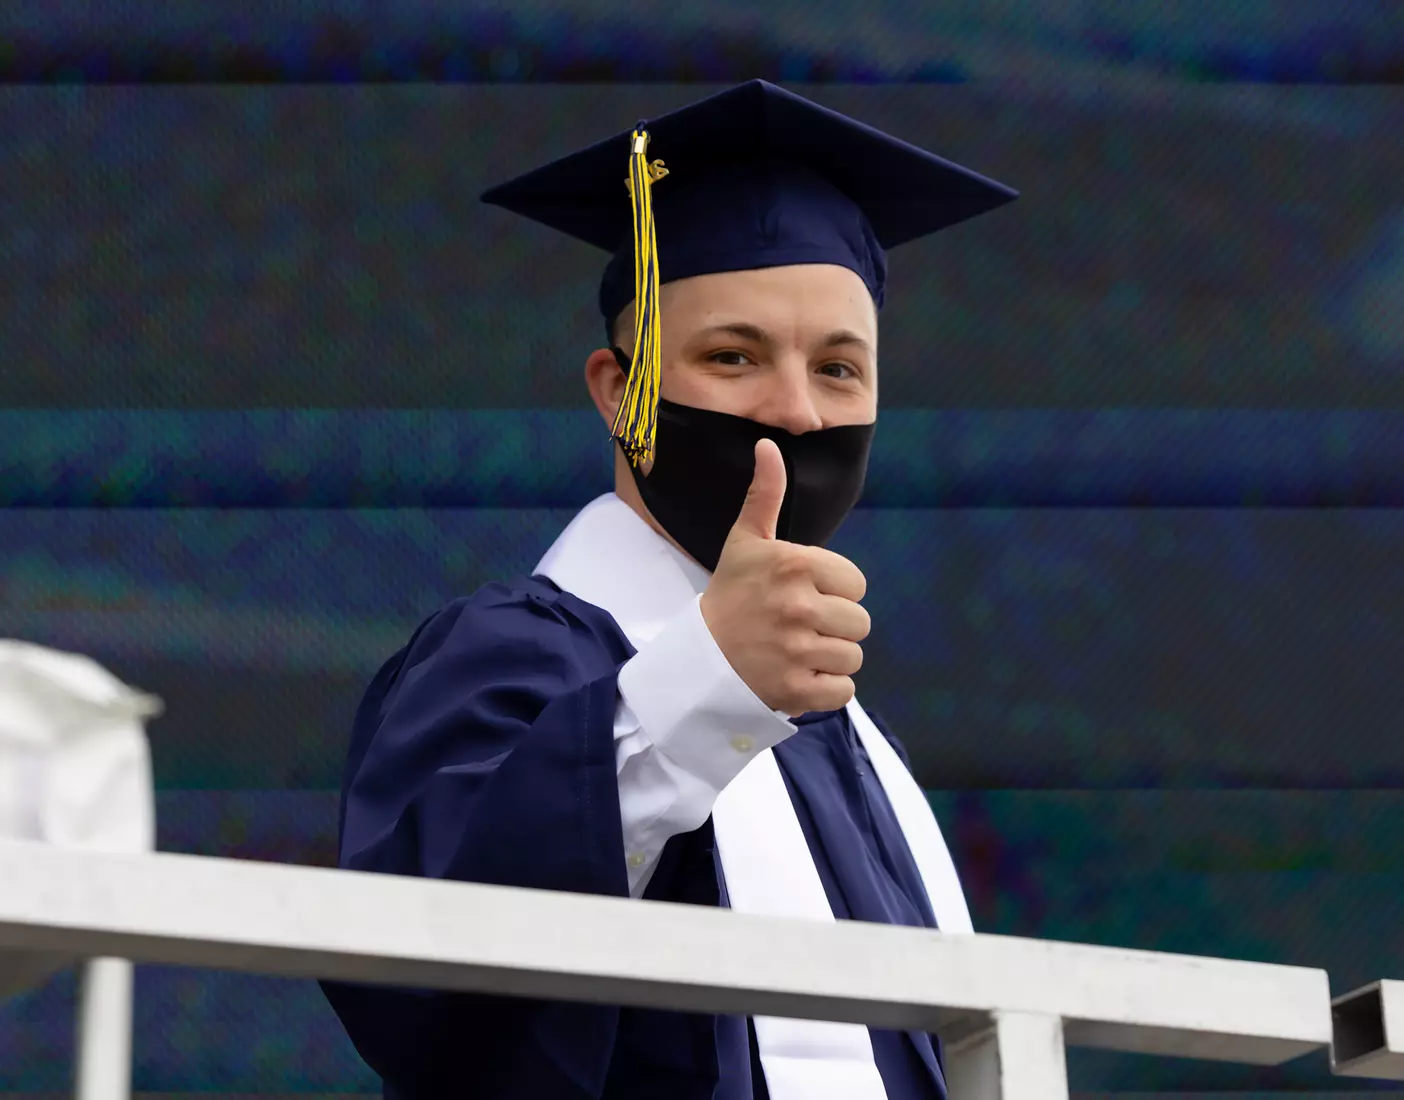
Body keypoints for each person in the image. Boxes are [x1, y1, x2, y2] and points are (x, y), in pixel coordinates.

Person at [320, 79, 1016, 1099]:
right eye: (732, 355)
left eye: (840, 369)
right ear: (619, 390)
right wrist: (699, 686)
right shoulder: (515, 657)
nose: (794, 410)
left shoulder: (860, 747)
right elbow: (420, 975)